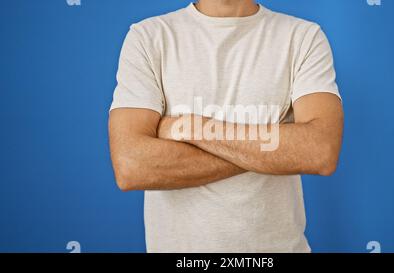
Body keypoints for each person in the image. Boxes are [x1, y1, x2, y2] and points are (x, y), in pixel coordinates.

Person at [109, 0, 343, 253]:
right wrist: (275, 152)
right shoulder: (148, 37)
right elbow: (132, 166)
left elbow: (320, 151)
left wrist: (192, 128)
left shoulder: (303, 37)